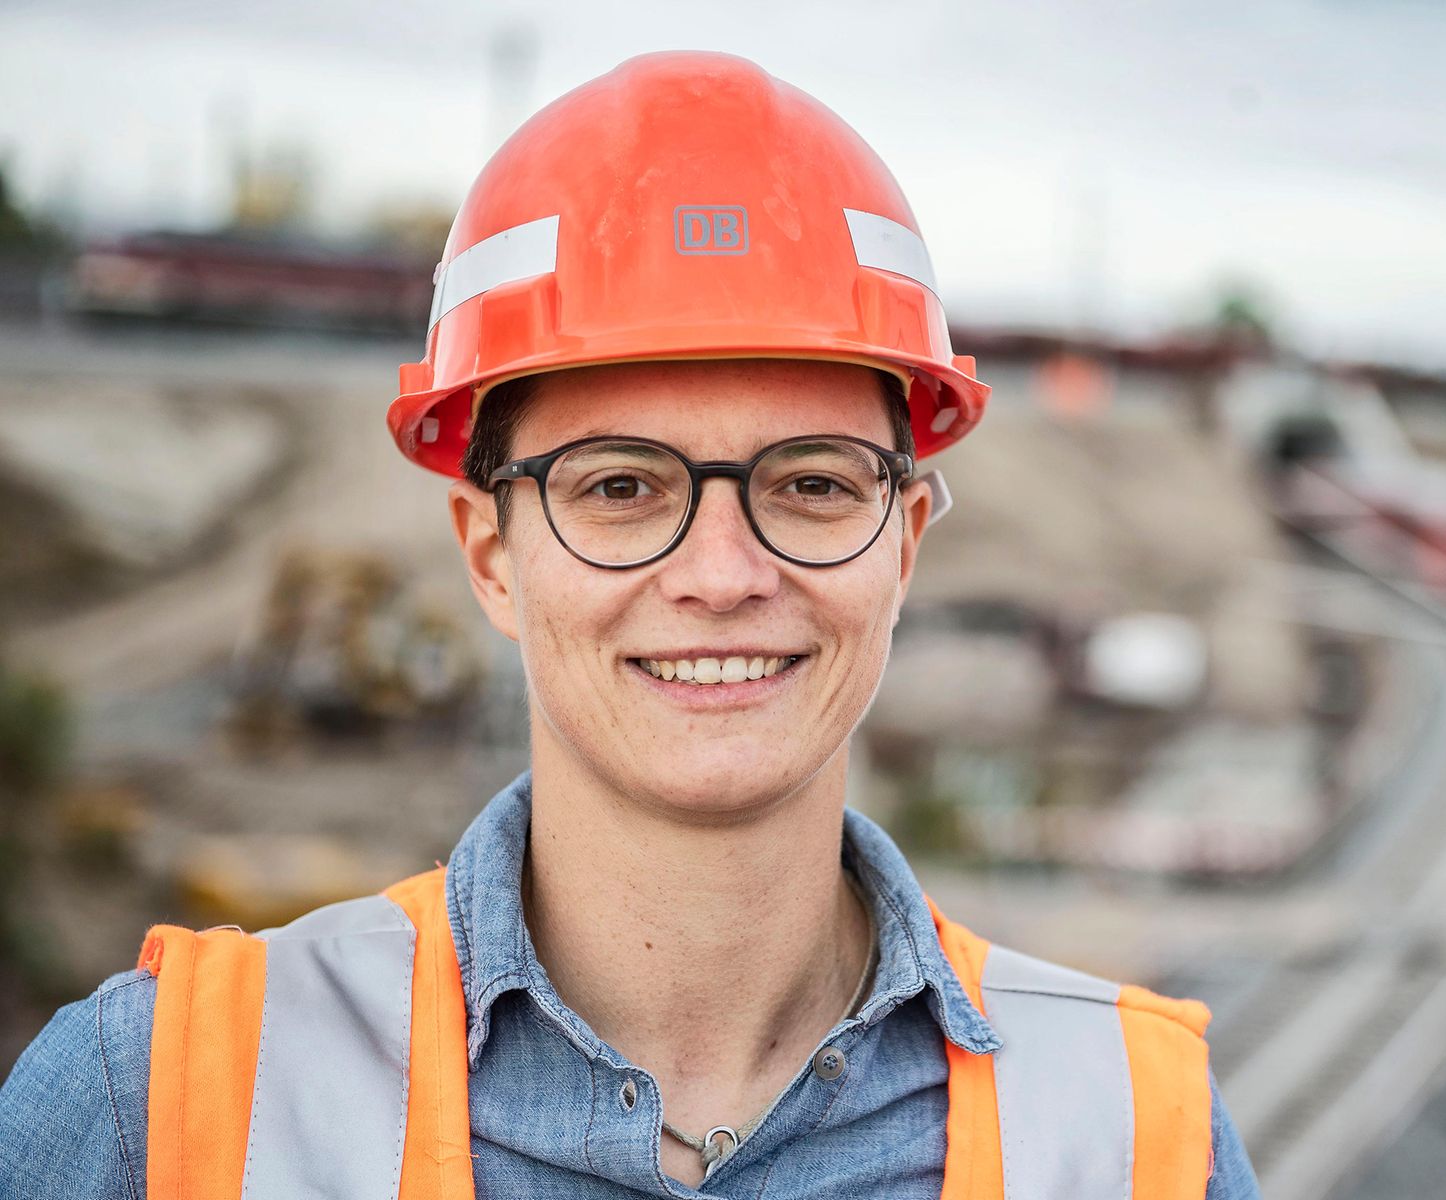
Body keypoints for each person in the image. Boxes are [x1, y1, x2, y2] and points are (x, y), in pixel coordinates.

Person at [0, 50, 1261, 1198]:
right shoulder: (156, 1106)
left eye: (812, 484)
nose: (722, 572)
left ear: (906, 544)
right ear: (492, 555)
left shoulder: (1136, 1136)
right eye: (619, 485)